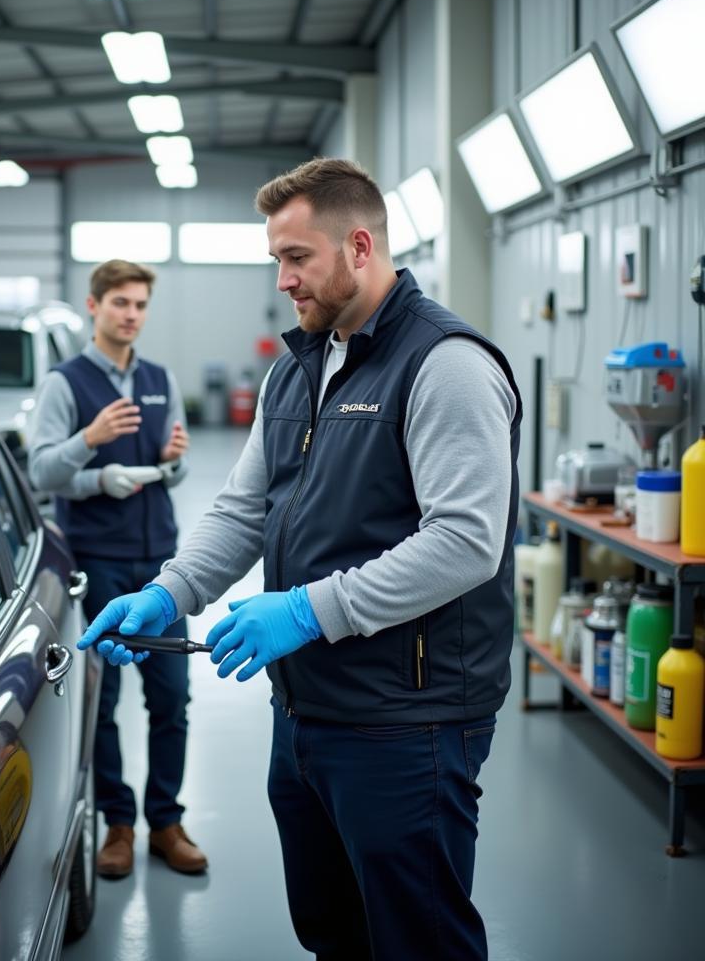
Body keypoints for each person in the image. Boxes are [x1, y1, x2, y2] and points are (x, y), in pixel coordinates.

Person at [78, 158, 522, 960]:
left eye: (295, 257)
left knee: (417, 940)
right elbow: (245, 507)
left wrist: (308, 609)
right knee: (332, 930)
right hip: (307, 708)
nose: (282, 280)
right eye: (275, 259)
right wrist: (168, 593)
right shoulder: (297, 368)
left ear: (359, 246)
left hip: (407, 718)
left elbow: (465, 542)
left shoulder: (445, 365)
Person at [28, 258, 206, 879]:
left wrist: (173, 459)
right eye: (120, 303)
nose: (131, 315)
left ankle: (166, 821)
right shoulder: (66, 383)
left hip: (159, 556)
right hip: (98, 558)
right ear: (94, 305)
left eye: (139, 305)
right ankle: (117, 824)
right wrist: (93, 447)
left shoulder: (159, 378)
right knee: (103, 703)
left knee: (172, 697)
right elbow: (42, 472)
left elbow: (174, 470)